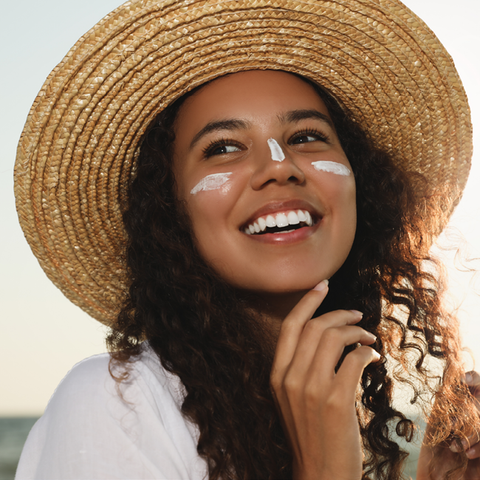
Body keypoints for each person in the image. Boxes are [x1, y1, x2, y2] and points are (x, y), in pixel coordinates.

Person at [13, 0, 480, 479]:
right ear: (169, 210)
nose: (280, 164)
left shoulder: (353, 415)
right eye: (223, 148)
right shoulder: (118, 402)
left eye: (306, 137)